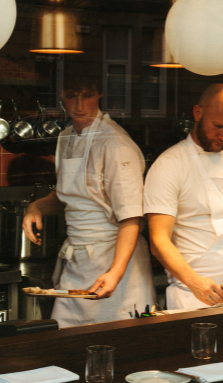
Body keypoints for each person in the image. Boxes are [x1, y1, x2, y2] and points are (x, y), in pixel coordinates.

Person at [21, 71, 154, 327]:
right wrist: (36, 206)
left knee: (116, 343)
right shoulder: (66, 137)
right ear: (61, 96)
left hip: (115, 265)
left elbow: (131, 216)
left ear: (100, 95)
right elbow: (68, 196)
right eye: (72, 96)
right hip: (77, 264)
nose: (79, 105)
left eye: (87, 96)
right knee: (66, 343)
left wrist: (115, 273)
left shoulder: (116, 144)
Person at [144, 84, 223, 310]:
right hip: (191, 295)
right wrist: (195, 282)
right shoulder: (169, 165)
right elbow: (159, 241)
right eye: (217, 126)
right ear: (198, 113)